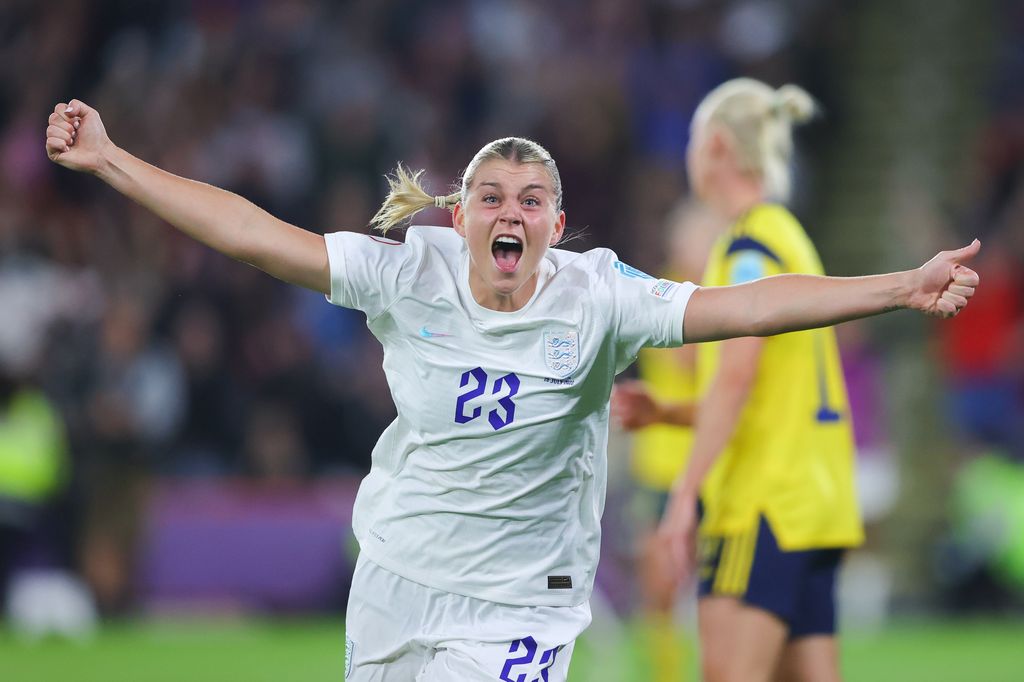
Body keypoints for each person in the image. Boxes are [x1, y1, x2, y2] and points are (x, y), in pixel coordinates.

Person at [45, 97, 978, 681]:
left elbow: (750, 307)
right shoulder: (406, 274)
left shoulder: (601, 296)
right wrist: (114, 160)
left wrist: (899, 285)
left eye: (531, 200)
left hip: (522, 605)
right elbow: (251, 232)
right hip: (399, 578)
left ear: (557, 225)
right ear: (460, 216)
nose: (510, 211)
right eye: (492, 194)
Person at [613, 77, 930, 682]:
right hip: (816, 501)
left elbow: (737, 379)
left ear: (716, 149)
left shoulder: (745, 247)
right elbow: (768, 394)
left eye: (691, 140)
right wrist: (669, 414)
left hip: (761, 502)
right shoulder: (789, 236)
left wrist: (684, 496)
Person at [611, 200, 721, 682]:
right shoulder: (664, 294)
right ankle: (667, 675)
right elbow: (689, 363)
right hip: (661, 463)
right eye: (698, 241)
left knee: (719, 588)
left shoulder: (723, 291)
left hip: (715, 462)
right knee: (659, 587)